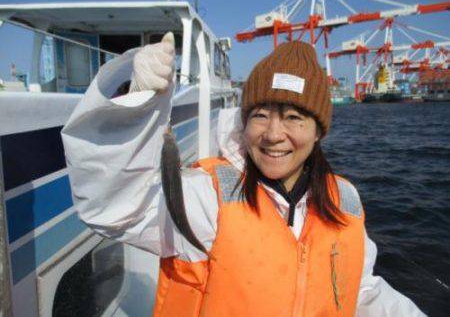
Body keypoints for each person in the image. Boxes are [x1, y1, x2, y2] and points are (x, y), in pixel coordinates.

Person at [61, 33, 426, 316]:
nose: (273, 134)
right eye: (261, 114)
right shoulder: (209, 197)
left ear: (319, 131)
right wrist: (134, 104)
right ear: (244, 120)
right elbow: (113, 209)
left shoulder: (345, 200)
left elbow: (362, 291)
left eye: (294, 118)